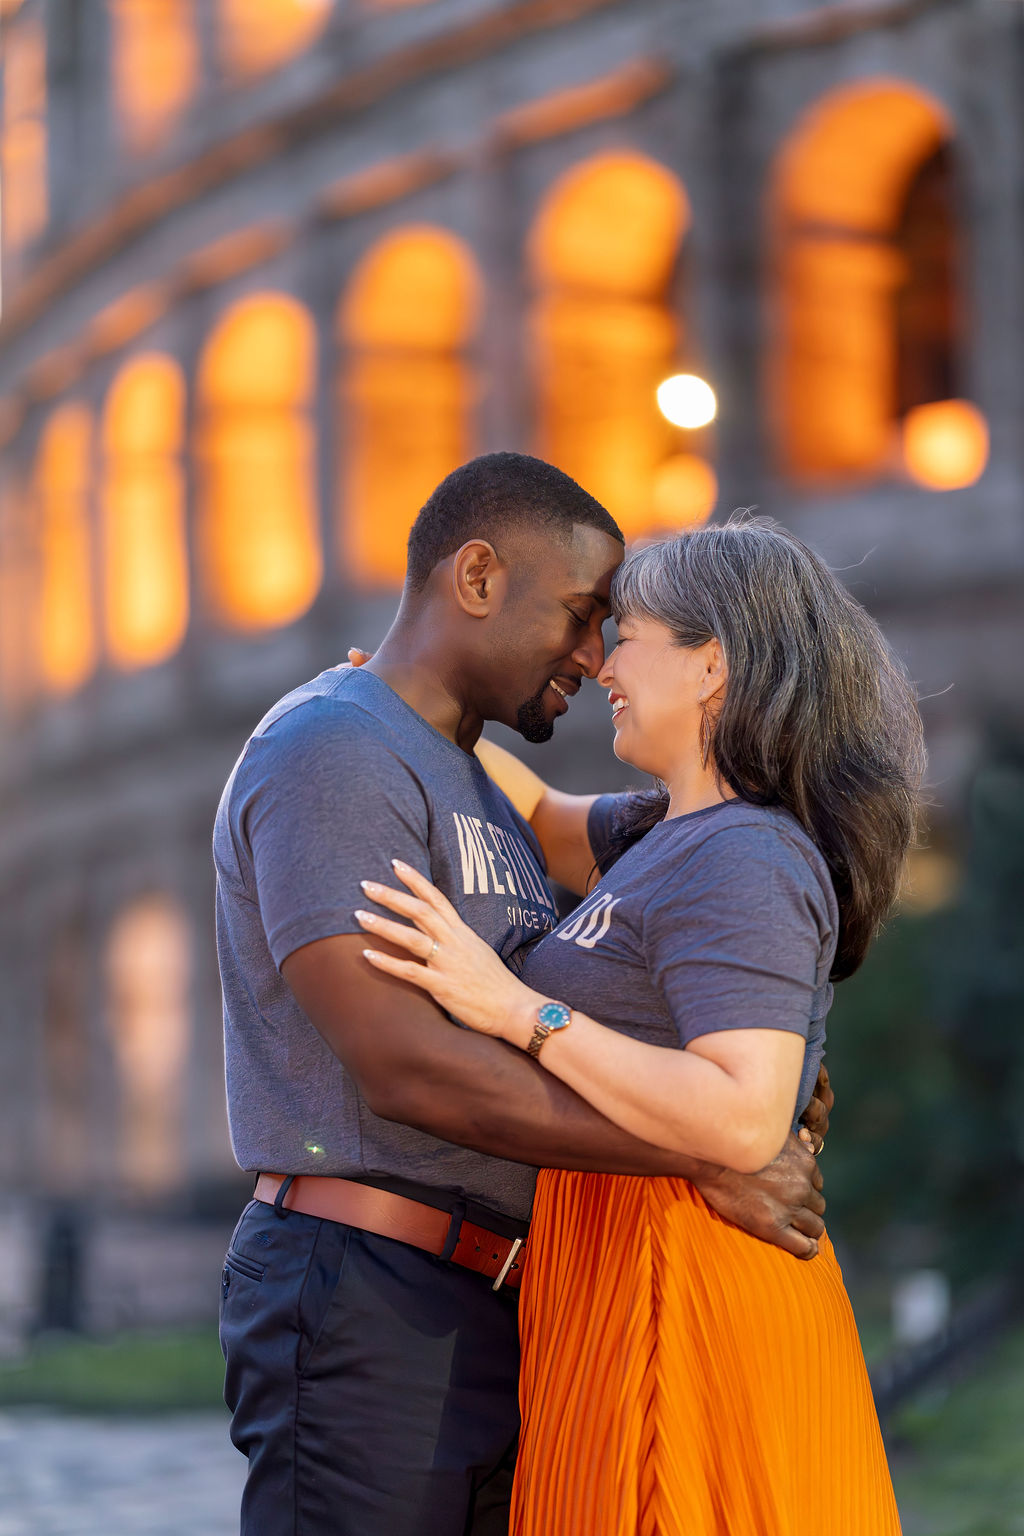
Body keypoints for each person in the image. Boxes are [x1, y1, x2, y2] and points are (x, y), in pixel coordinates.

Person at [214, 455, 830, 1536]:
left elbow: (700, 872)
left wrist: (753, 1085)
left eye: (614, 631)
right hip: (371, 1289)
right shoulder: (334, 751)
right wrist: (707, 1149)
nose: (593, 657)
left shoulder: (472, 777)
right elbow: (405, 1065)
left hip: (507, 1300)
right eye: (582, 615)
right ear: (480, 577)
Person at [356, 515, 924, 1535]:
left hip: (682, 1290)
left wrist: (516, 1008)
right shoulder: (666, 830)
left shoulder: (747, 856)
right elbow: (528, 815)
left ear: (712, 664)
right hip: (608, 1275)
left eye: (629, 636)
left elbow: (745, 1119)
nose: (601, 661)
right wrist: (397, 694)